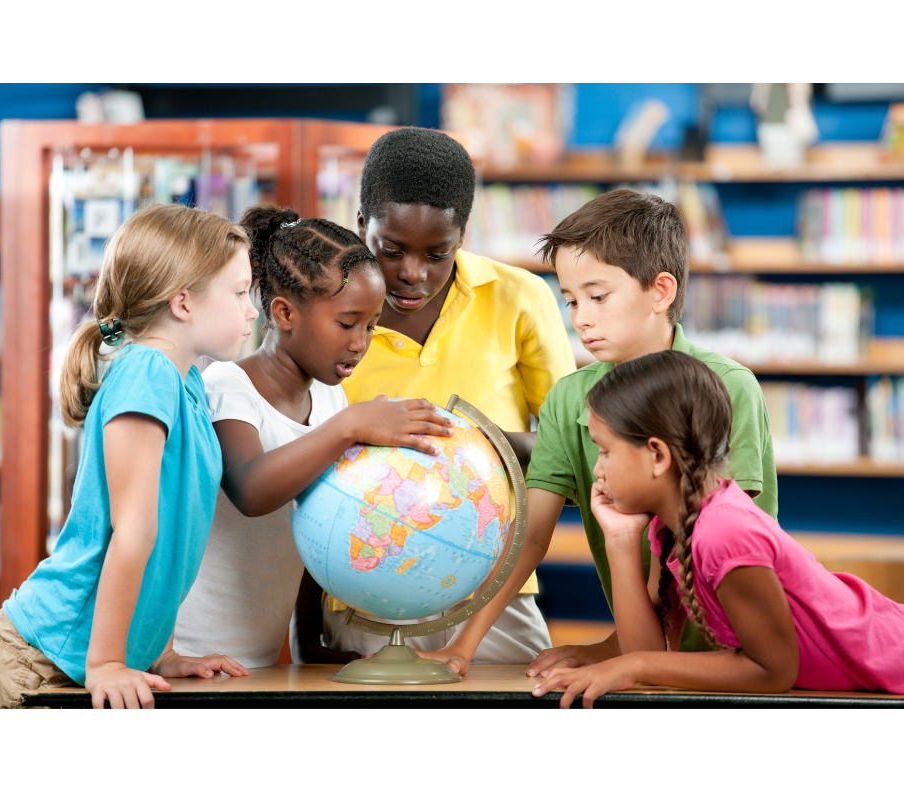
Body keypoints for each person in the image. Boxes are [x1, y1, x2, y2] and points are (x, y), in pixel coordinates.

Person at [420, 188, 779, 676]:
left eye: (598, 296)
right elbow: (529, 538)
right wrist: (462, 648)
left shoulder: (727, 386)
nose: (581, 318)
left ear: (661, 291)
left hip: (741, 656)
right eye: (570, 300)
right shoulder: (570, 399)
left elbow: (714, 540)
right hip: (648, 655)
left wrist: (623, 654)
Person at [291, 126, 576, 665]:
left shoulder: (519, 299)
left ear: (463, 234)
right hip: (359, 582)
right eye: (390, 250)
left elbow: (570, 448)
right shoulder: (320, 314)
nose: (412, 273)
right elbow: (293, 466)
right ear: (360, 226)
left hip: (492, 588)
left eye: (437, 252)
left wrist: (478, 443)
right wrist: (306, 629)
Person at [0, 204, 257, 709]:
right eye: (238, 293)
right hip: (39, 662)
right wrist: (107, 663)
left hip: (92, 659)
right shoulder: (147, 372)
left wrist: (157, 654)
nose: (251, 309)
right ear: (183, 303)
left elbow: (171, 537)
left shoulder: (183, 377)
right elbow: (134, 530)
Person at [532, 351, 904, 707]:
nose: (598, 470)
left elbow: (772, 671)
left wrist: (634, 666)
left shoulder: (724, 532)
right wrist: (619, 540)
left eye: (605, 451)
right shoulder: (671, 525)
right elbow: (644, 648)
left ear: (658, 456)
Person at [172, 206, 453, 668]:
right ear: (283, 313)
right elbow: (249, 488)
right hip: (186, 651)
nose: (360, 342)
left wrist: (306, 642)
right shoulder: (226, 386)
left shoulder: (329, 401)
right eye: (346, 323)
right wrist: (349, 429)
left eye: (371, 325)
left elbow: (314, 529)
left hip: (255, 659)